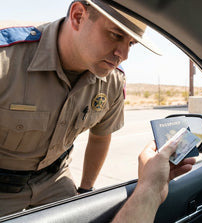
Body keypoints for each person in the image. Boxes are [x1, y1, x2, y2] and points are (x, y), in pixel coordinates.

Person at [0, 0, 189, 217]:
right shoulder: (6, 58)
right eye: (116, 35)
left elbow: (100, 136)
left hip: (53, 179)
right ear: (78, 16)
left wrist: (86, 189)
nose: (124, 54)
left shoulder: (112, 81)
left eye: (131, 43)